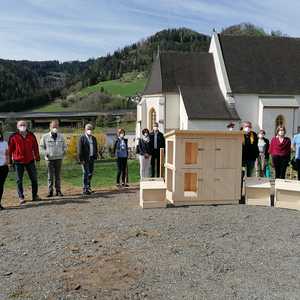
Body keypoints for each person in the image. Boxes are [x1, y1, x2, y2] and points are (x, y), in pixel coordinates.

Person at [8, 120, 41, 204]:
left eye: (24, 124)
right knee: (19, 180)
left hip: (30, 161)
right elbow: (9, 150)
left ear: (27, 126)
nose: (22, 126)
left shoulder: (31, 135)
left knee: (34, 179)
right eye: (20, 125)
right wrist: (9, 162)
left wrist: (37, 158)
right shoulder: (13, 137)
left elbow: (36, 148)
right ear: (17, 126)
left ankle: (35, 195)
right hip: (18, 162)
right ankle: (21, 197)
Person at [40, 120, 67, 197]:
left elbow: (65, 146)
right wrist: (45, 153)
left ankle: (58, 191)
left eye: (56, 126)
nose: (55, 128)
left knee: (58, 176)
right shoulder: (45, 136)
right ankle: (50, 191)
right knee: (50, 176)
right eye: (53, 127)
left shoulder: (61, 136)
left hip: (59, 158)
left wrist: (64, 151)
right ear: (50, 127)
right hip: (49, 159)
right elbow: (41, 147)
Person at [77, 124, 98, 195]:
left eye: (91, 129)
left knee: (90, 173)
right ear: (85, 130)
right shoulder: (82, 138)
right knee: (85, 173)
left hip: (91, 158)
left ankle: (88, 186)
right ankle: (84, 189)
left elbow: (95, 147)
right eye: (88, 129)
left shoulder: (94, 138)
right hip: (84, 159)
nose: (89, 130)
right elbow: (79, 150)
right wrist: (81, 159)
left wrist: (95, 155)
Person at [0, 130, 9, 210]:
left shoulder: (4, 143)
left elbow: (7, 154)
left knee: (1, 186)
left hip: (3, 167)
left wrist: (7, 161)